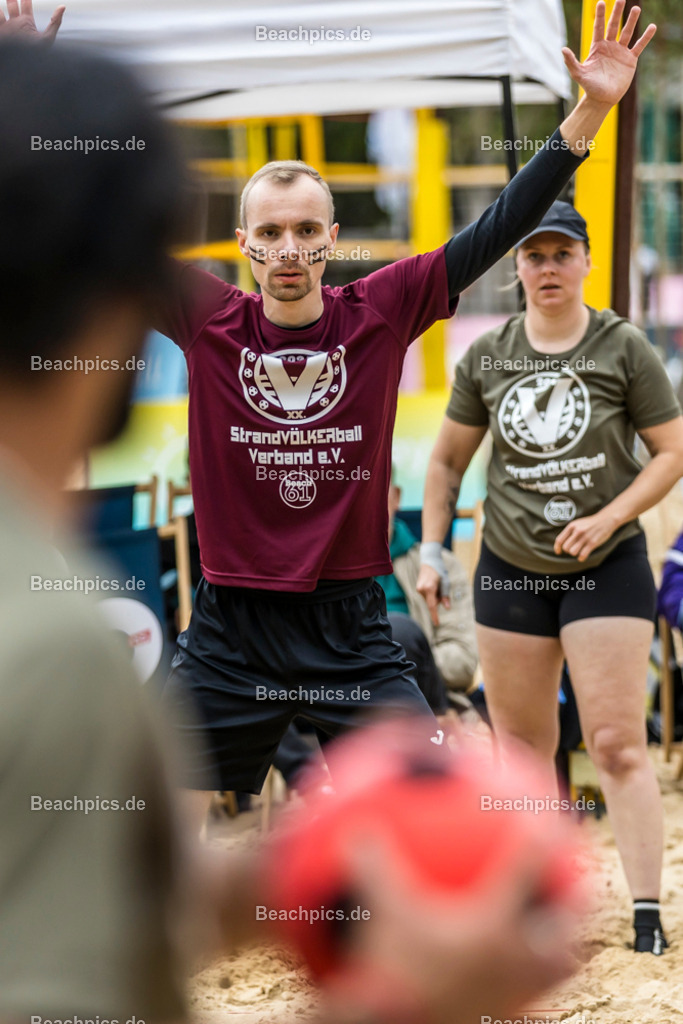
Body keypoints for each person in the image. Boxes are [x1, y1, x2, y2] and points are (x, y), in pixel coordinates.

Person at [157, 1, 656, 827]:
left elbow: (499, 226)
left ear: (331, 237)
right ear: (244, 243)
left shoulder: (379, 310)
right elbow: (78, 232)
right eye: (271, 233)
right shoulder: (205, 315)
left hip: (349, 620)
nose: (289, 249)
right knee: (145, 808)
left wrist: (591, 109)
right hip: (229, 622)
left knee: (431, 815)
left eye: (306, 230)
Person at [418, 197, 683, 956]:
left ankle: (643, 912)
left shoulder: (620, 345)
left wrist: (610, 515)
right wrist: (432, 552)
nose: (547, 267)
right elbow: (443, 463)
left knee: (614, 743)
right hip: (508, 567)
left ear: (586, 261)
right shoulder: (487, 355)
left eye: (561, 252)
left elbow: (669, 451)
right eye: (533, 255)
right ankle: (537, 907)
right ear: (515, 268)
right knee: (523, 751)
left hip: (603, 564)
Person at [377, 476, 477, 714]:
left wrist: (396, 661)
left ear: (396, 496)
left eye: (375, 487)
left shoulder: (441, 567)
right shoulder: (318, 571)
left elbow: (463, 663)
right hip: (343, 696)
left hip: (424, 697)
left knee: (399, 631)